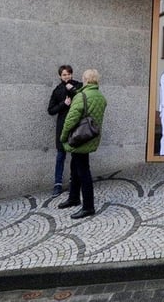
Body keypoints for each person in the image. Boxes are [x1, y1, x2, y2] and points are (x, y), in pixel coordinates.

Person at [57, 68, 107, 219]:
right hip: (91, 136)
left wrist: (63, 137)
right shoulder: (100, 96)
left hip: (79, 138)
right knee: (75, 167)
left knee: (83, 171)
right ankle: (73, 198)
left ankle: (88, 206)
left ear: (85, 80)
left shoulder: (81, 96)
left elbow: (70, 120)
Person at [47, 65, 82, 196]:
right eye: (64, 74)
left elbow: (84, 99)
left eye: (68, 74)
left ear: (72, 74)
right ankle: (58, 184)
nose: (66, 76)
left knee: (76, 154)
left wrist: (72, 89)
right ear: (60, 76)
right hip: (62, 126)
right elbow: (50, 110)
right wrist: (63, 104)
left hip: (76, 125)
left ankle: (74, 180)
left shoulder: (78, 85)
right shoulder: (57, 90)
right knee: (60, 155)